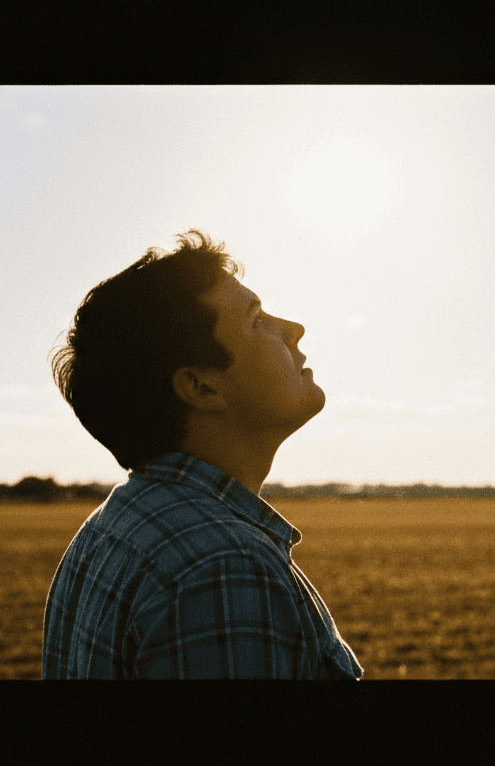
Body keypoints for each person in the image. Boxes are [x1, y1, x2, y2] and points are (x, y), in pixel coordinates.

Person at [43, 230, 362, 679]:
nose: (293, 329)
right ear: (201, 386)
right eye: (256, 321)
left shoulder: (113, 525)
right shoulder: (224, 566)